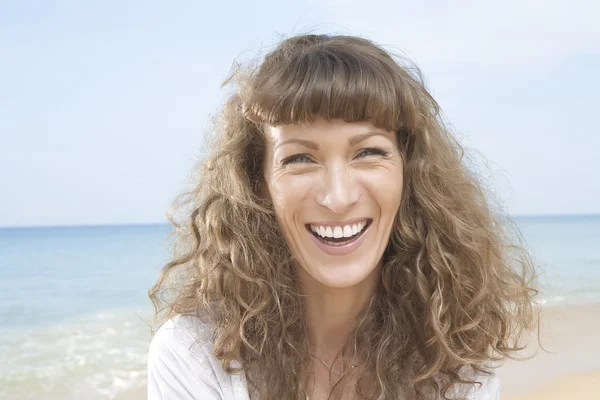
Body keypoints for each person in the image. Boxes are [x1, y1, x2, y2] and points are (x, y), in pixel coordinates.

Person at [146, 33, 540, 400]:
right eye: (300, 158)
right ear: (257, 184)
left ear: (410, 171)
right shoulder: (194, 354)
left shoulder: (453, 356)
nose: (338, 198)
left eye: (368, 152)